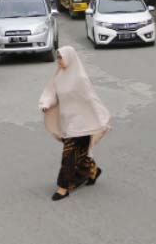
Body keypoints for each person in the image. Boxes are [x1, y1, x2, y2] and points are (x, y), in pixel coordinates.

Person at [38, 46, 110, 201]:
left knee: (69, 155)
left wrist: (101, 118)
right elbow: (51, 92)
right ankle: (93, 171)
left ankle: (63, 187)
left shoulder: (80, 78)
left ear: (69, 58)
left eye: (61, 57)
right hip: (67, 122)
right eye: (57, 57)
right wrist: (46, 104)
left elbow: (91, 99)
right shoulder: (58, 76)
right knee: (82, 155)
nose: (58, 61)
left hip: (82, 123)